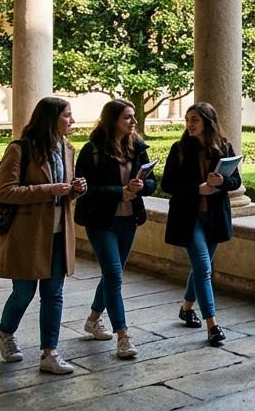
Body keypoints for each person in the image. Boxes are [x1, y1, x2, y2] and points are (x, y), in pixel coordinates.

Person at [0, 96, 87, 374]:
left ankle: (50, 353)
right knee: (23, 293)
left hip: (60, 233)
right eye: (67, 115)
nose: (72, 121)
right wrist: (49, 190)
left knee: (53, 294)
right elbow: (6, 191)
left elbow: (66, 189)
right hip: (27, 234)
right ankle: (6, 334)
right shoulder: (20, 149)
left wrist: (77, 188)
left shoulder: (68, 149)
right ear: (51, 118)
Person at [74, 99, 155, 359]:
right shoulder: (92, 151)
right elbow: (85, 192)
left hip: (128, 219)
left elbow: (152, 181)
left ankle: (93, 319)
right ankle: (123, 336)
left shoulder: (137, 147)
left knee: (113, 274)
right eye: (127, 118)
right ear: (112, 121)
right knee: (114, 275)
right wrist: (119, 192)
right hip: (100, 221)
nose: (133, 122)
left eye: (133, 117)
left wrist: (143, 186)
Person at [163, 102, 242, 346]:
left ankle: (186, 308)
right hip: (189, 217)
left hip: (214, 216)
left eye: (195, 119)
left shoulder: (223, 146)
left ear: (207, 121)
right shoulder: (179, 149)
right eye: (187, 119)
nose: (189, 124)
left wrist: (220, 182)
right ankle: (213, 325)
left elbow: (235, 182)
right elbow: (167, 184)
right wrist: (196, 189)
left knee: (201, 267)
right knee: (204, 269)